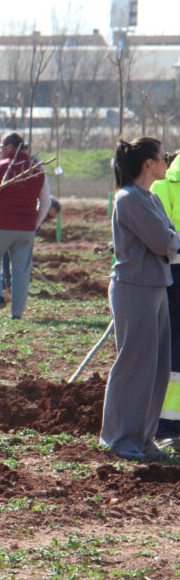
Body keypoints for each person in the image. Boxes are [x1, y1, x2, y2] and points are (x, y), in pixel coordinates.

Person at [101, 137, 177, 461]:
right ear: (149, 163)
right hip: (135, 288)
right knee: (135, 365)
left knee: (157, 367)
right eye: (163, 156)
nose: (167, 161)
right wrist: (171, 240)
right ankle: (121, 439)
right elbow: (163, 240)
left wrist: (171, 239)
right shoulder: (129, 198)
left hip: (156, 285)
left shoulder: (150, 197)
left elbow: (168, 236)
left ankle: (144, 438)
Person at [0, 132, 51, 318]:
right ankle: (17, 314)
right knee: (21, 271)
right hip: (26, 228)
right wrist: (35, 224)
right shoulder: (38, 170)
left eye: (1, 146)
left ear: (10, 147)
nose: (0, 150)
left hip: (1, 225)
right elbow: (46, 202)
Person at [150, 153, 180, 447]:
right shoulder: (165, 186)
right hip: (175, 277)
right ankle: (168, 425)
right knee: (175, 350)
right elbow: (165, 238)